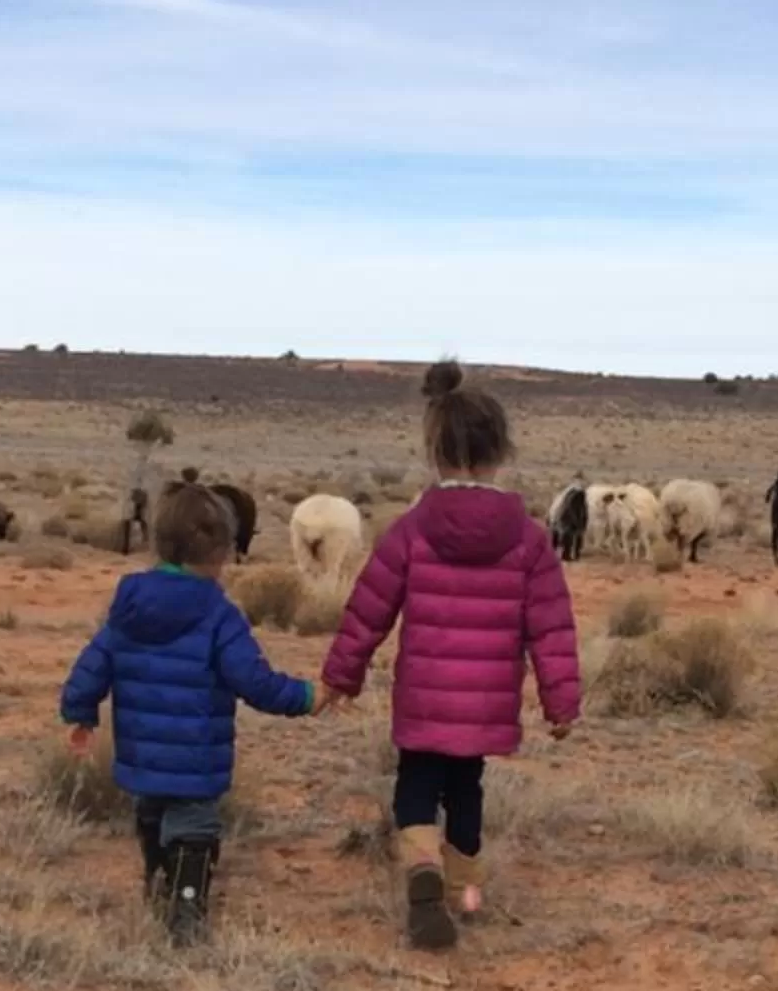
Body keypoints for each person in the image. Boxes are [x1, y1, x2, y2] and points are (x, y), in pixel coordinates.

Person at [321, 359, 581, 951]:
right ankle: (465, 895)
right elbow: (552, 627)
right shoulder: (528, 538)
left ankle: (422, 875)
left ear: (435, 451)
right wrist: (561, 703)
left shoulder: (411, 529)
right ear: (501, 452)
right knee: (467, 788)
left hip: (424, 696)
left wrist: (341, 677)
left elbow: (368, 610)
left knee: (415, 786)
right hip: (485, 703)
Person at [59, 478, 322, 941]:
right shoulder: (220, 615)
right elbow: (253, 681)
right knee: (193, 825)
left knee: (152, 814)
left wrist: (79, 713)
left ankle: (158, 882)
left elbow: (91, 665)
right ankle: (186, 909)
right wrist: (304, 697)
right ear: (222, 551)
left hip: (141, 751)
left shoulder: (128, 608)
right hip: (197, 754)